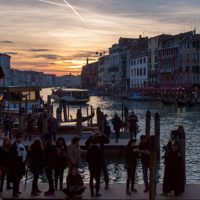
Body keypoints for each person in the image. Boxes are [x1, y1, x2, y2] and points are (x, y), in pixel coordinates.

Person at [10, 132, 26, 197]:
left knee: (19, 177)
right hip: (15, 163)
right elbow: (10, 154)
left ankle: (17, 189)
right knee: (15, 178)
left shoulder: (22, 144)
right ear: (16, 138)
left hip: (21, 163)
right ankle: (14, 191)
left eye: (20, 138)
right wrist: (16, 151)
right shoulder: (13, 146)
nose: (19, 139)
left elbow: (24, 153)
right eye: (18, 138)